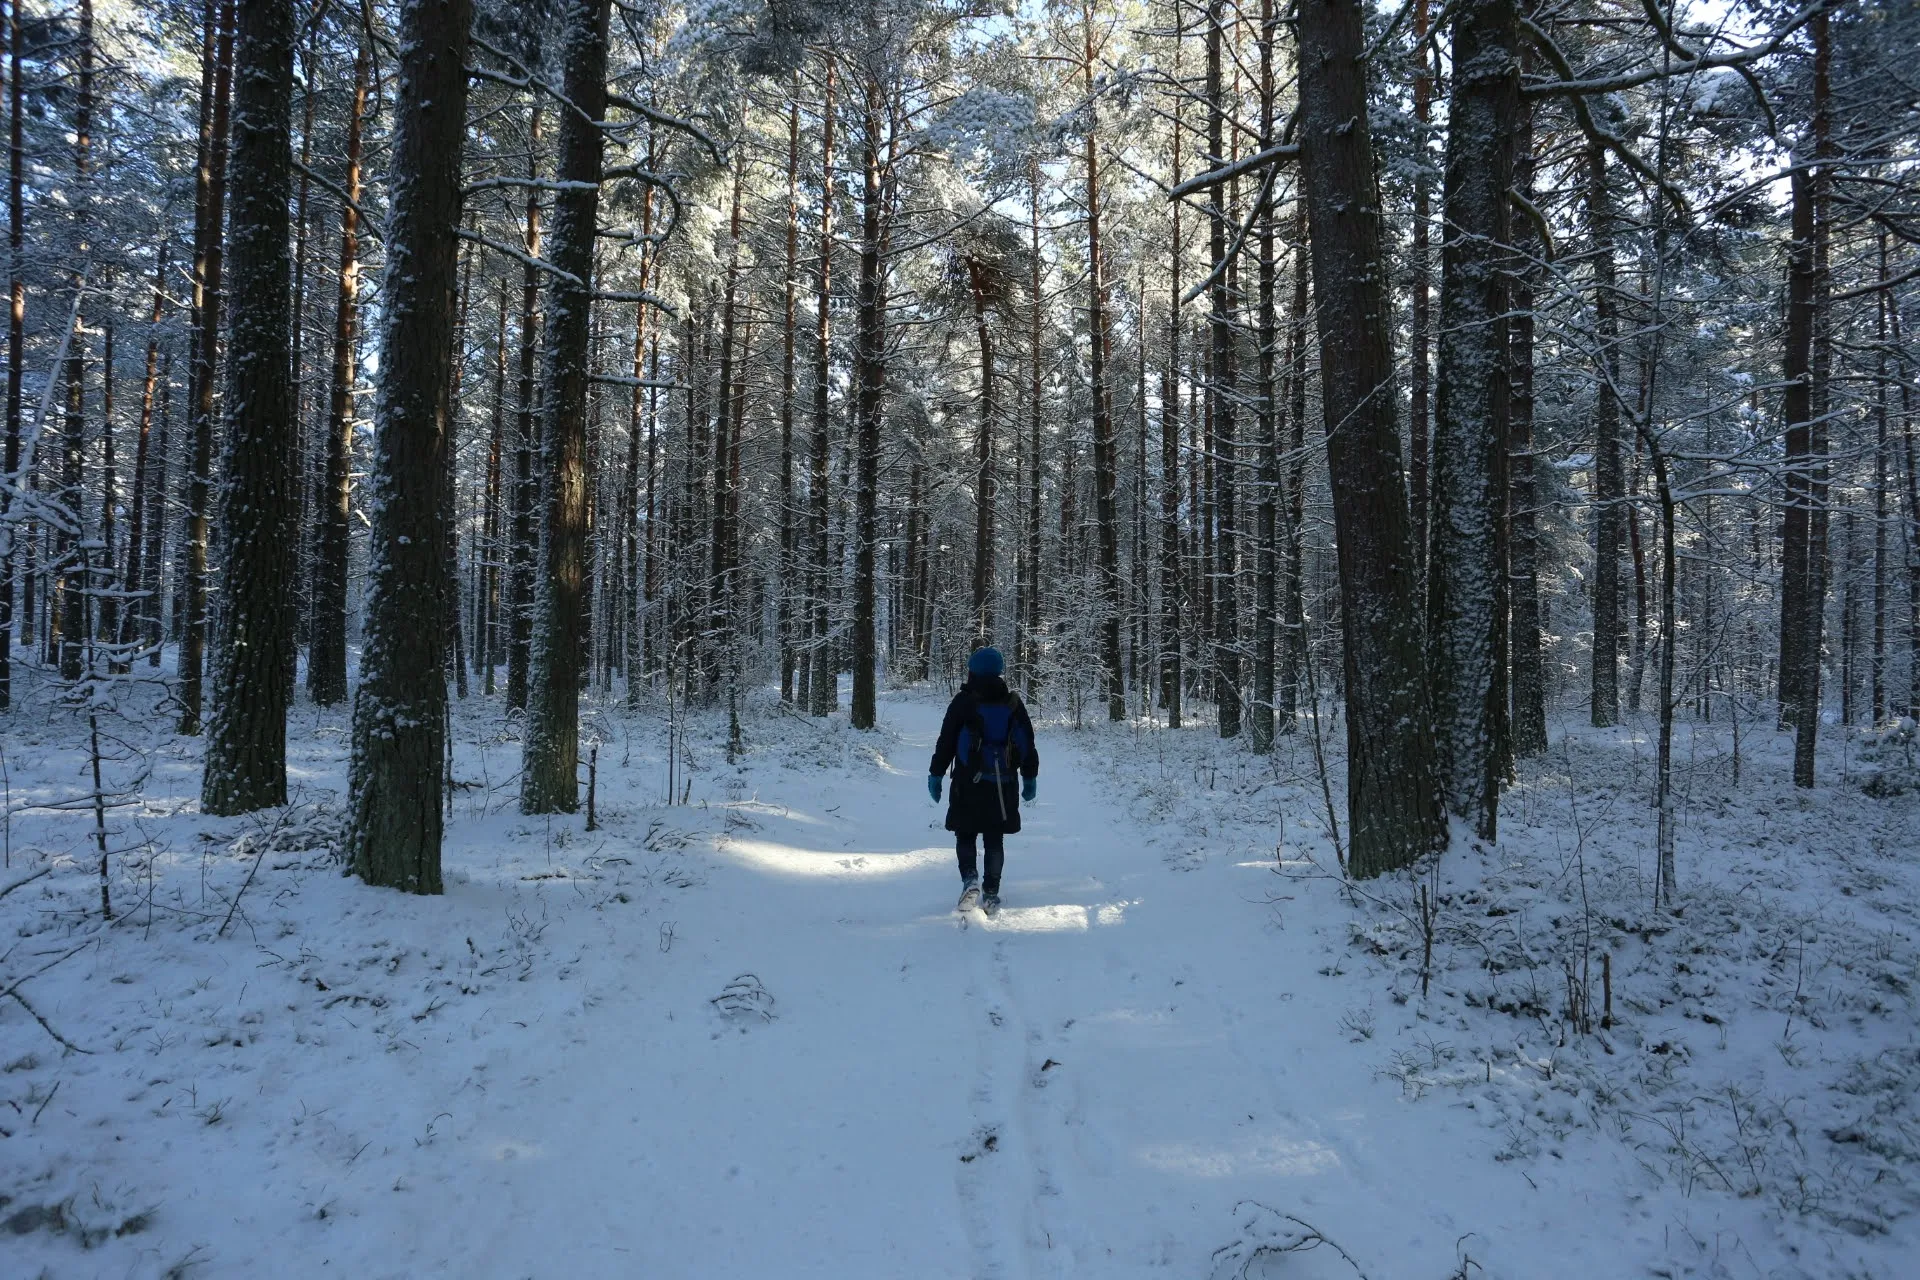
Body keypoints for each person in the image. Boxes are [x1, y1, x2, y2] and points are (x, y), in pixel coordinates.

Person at [927, 646, 1038, 916]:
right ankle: (991, 893)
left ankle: (970, 879)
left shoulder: (963, 701)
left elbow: (947, 741)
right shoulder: (1012, 703)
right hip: (1003, 784)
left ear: (972, 669)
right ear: (999, 670)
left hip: (967, 781)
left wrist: (936, 774)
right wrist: (1030, 777)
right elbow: (1027, 743)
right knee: (994, 838)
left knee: (965, 833)